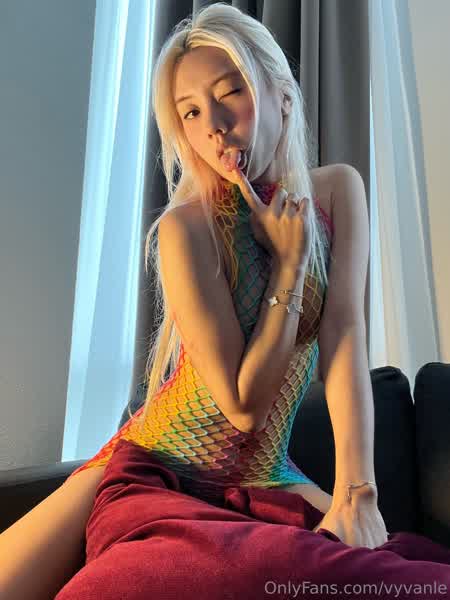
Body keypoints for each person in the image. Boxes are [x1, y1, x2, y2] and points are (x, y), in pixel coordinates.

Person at [2, 4, 450, 600]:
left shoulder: (337, 191)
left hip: (269, 477)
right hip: (163, 464)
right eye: (190, 112)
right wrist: (290, 265)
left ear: (281, 95)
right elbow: (243, 406)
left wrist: (357, 491)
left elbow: (345, 341)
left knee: (400, 578)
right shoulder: (184, 228)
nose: (213, 125)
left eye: (229, 92)